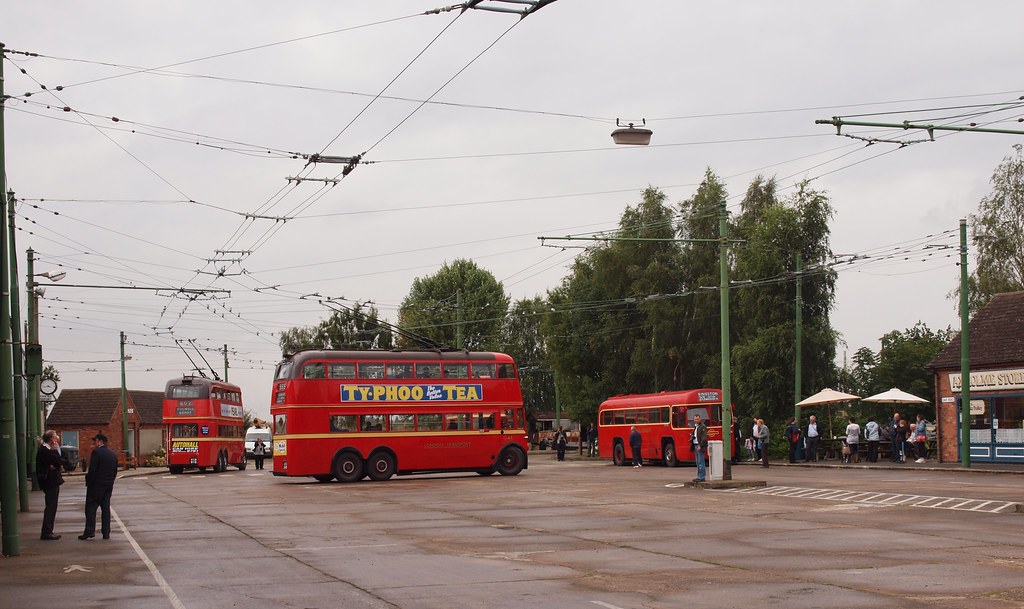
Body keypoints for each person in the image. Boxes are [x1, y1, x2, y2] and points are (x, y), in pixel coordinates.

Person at [80, 433, 118, 540]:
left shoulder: (96, 452)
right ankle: (106, 532)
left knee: (91, 508)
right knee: (105, 509)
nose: (94, 443)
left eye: (95, 441)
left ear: (100, 441)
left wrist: (89, 481)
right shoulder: (113, 454)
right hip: (108, 485)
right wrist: (110, 481)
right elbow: (115, 470)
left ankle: (89, 531)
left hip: (96, 485)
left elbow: (92, 470)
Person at [36, 430, 65, 540]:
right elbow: (57, 461)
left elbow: (56, 464)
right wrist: (55, 450)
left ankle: (48, 530)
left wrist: (54, 465)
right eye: (55, 436)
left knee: (51, 506)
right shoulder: (46, 450)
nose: (57, 438)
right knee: (51, 507)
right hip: (50, 482)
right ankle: (47, 531)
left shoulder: (45, 450)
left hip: (50, 481)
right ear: (51, 439)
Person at [692, 415, 708, 482]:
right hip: (695, 445)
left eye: (697, 419)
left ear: (700, 419)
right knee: (698, 462)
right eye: (695, 419)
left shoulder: (702, 427)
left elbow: (704, 438)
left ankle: (702, 477)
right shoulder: (696, 427)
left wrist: (700, 446)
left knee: (701, 462)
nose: (696, 420)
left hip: (700, 446)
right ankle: (699, 476)